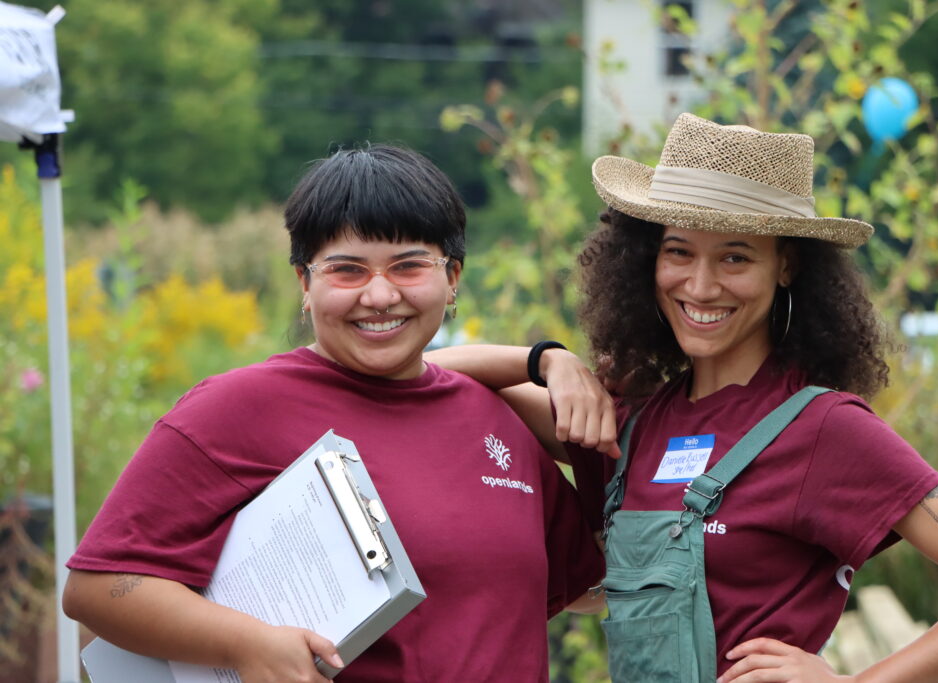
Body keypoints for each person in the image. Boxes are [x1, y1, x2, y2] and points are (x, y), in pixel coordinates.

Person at [426, 113, 938, 682]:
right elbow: (428, 379)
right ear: (645, 257)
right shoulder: (629, 423)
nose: (701, 285)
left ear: (786, 266)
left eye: (735, 256)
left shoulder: (824, 430)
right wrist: (547, 359)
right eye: (678, 251)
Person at [62, 144, 604, 683]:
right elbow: (99, 588)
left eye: (409, 265)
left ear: (453, 277)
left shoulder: (492, 417)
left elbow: (581, 587)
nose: (380, 295)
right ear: (305, 284)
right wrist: (247, 644)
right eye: (347, 270)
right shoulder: (239, 408)